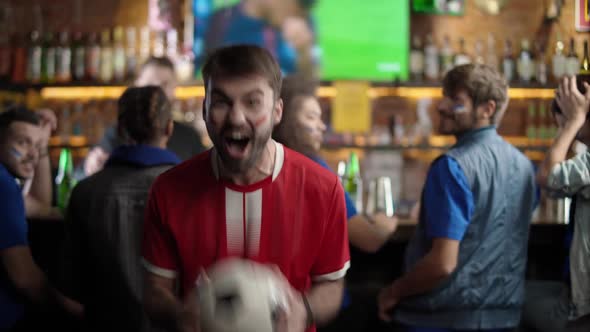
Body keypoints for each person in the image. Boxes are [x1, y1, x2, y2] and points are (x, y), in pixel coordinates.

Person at [141, 45, 349, 332]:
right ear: (204, 109)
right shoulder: (168, 190)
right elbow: (154, 290)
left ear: (277, 111)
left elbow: (331, 285)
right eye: (222, 102)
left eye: (252, 103)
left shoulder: (323, 190)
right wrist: (179, 314)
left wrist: (305, 310)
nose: (236, 118)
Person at [377, 64, 537, 332]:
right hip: (506, 319)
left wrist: (393, 291)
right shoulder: (524, 165)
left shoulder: (452, 166)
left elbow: (442, 264)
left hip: (442, 318)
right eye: (445, 96)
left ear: (488, 109)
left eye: (456, 101)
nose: (442, 106)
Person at [272, 74, 397, 331]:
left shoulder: (266, 162)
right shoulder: (315, 170)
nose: (321, 126)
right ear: (283, 118)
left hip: (273, 301)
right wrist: (386, 224)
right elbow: (369, 239)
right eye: (311, 117)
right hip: (317, 304)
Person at [59, 86, 180, 332]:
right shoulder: (189, 189)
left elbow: (72, 283)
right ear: (169, 128)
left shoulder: (86, 192)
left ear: (120, 129)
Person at [0, 108, 83, 330]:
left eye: (37, 147)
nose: (32, 155)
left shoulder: (6, 182)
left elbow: (38, 203)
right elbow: (25, 278)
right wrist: (73, 311)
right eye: (23, 142)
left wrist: (43, 146)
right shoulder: (4, 186)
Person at [526, 76, 590, 332]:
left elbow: (548, 178)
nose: (560, 129)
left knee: (506, 302)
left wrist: (574, 122)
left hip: (584, 310)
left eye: (564, 119)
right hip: (575, 291)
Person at [83, 56, 205, 177]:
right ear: (137, 85)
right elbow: (81, 173)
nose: (157, 91)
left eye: (165, 84)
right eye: (150, 84)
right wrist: (90, 164)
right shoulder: (115, 135)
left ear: (175, 88)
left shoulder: (189, 137)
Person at [195, 0, 318, 78]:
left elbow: (313, 85)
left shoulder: (304, 23)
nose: (299, 13)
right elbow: (191, 76)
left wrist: (304, 54)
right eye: (297, 3)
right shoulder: (221, 22)